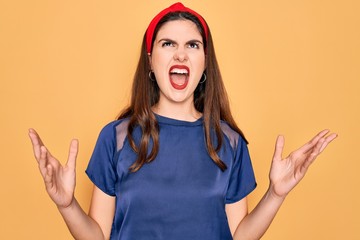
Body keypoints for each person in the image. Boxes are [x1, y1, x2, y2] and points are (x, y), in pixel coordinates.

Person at [28, 2, 337, 240]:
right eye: (168, 44)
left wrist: (276, 194)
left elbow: (238, 235)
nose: (181, 55)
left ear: (204, 63)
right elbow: (98, 235)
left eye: (192, 45)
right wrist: (66, 204)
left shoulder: (228, 142)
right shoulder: (117, 138)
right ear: (150, 60)